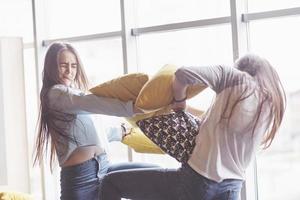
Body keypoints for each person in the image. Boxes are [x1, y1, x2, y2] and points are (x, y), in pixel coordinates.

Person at [99, 54, 286, 200]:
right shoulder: (270, 102)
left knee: (111, 182)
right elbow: (216, 125)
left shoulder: (231, 76)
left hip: (198, 180)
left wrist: (179, 100)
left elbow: (182, 74)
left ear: (240, 68)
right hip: (232, 187)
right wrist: (187, 110)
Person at [33, 42, 158, 200]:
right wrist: (131, 108)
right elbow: (92, 102)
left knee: (156, 175)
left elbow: (91, 131)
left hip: (103, 168)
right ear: (52, 67)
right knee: (155, 177)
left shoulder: (71, 96)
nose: (69, 71)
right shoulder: (56, 94)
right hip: (80, 179)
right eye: (63, 65)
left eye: (74, 66)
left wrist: (120, 132)